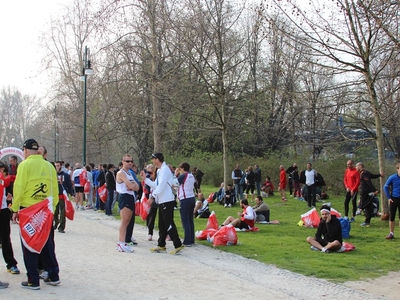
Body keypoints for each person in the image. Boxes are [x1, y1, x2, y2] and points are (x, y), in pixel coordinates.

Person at [11, 139, 60, 290]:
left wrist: (14, 209)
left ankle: (33, 279)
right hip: (45, 209)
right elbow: (55, 190)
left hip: (28, 210)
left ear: (25, 150)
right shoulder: (49, 166)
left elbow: (19, 188)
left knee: (29, 244)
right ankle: (53, 274)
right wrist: (52, 208)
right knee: (47, 242)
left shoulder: (24, 165)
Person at [142, 153, 184, 255]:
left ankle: (178, 244)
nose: (152, 161)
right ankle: (161, 245)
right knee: (162, 223)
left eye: (153, 159)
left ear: (158, 159)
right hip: (162, 200)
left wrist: (152, 197)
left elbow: (161, 186)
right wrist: (145, 179)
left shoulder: (165, 170)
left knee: (169, 223)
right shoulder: (160, 170)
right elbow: (155, 185)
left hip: (167, 200)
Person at [115, 155, 139, 252]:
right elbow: (130, 185)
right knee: (124, 221)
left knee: (128, 221)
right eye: (127, 161)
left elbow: (137, 186)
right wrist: (132, 185)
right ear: (123, 162)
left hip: (130, 196)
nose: (129, 163)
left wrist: (132, 185)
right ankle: (121, 242)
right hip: (124, 196)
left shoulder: (130, 173)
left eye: (131, 161)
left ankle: (123, 241)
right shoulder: (121, 173)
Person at [0, 162, 20, 274]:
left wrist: (8, 200)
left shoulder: (4, 181)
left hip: (3, 210)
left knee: (6, 239)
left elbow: (8, 181)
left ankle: (11, 264)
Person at [356, 162, 384, 227]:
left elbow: (368, 182)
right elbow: (373, 176)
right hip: (365, 192)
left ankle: (359, 210)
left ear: (360, 166)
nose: (356, 168)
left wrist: (374, 190)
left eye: (357, 166)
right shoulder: (366, 172)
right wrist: (380, 175)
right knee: (368, 206)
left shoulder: (364, 173)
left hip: (365, 192)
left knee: (364, 204)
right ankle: (367, 221)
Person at [176, 162, 196, 246]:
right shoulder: (192, 175)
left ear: (182, 168)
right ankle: (191, 239)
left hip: (185, 198)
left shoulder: (183, 175)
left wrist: (175, 174)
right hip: (192, 197)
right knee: (190, 219)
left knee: (185, 220)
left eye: (180, 168)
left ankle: (187, 241)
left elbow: (174, 184)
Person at [54, 161, 74, 233]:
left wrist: (72, 194)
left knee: (63, 212)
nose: (57, 167)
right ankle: (56, 222)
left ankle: (61, 227)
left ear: (61, 166)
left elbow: (69, 185)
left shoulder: (66, 175)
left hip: (63, 196)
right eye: (55, 166)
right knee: (55, 211)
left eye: (58, 165)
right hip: (55, 195)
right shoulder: (52, 175)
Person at [383, 162, 400, 239]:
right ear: (397, 169)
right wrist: (389, 197)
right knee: (392, 216)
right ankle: (391, 233)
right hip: (394, 199)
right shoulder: (392, 177)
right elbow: (385, 187)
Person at [143, 164, 158, 241]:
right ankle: (150, 233)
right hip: (152, 198)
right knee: (152, 215)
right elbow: (146, 187)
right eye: (151, 168)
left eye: (153, 168)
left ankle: (166, 233)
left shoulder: (158, 177)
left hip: (160, 198)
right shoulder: (148, 176)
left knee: (163, 217)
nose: (152, 169)